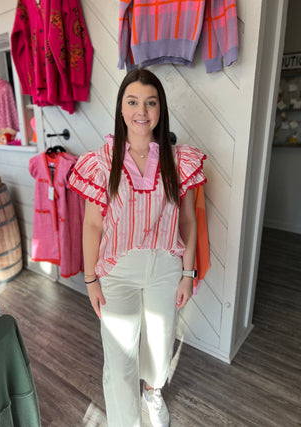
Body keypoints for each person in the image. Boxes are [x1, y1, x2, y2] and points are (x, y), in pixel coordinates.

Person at [69, 68, 206, 427]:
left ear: (160, 109)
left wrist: (188, 274)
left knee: (159, 348)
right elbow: (92, 225)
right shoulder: (101, 162)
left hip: (165, 268)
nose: (141, 111)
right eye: (132, 101)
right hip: (117, 272)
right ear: (121, 108)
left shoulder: (178, 161)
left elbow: (188, 221)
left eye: (150, 102)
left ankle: (154, 394)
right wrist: (90, 281)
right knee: (119, 358)